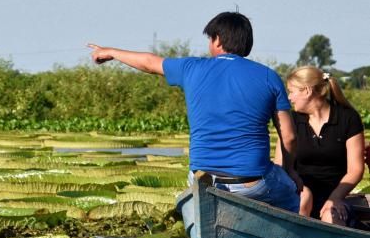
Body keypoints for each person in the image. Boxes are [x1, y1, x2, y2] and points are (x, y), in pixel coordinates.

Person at [88, 11, 301, 212]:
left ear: (217, 40)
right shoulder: (268, 77)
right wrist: (290, 172)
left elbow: (149, 62)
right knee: (291, 193)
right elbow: (289, 137)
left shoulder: (192, 69)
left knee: (199, 186)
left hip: (201, 179)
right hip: (252, 183)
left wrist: (111, 52)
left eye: (210, 39)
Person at [274, 66, 365, 225]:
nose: (289, 97)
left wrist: (335, 198)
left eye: (292, 91)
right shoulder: (292, 121)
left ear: (307, 91)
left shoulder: (348, 118)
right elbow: (279, 165)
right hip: (300, 193)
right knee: (303, 200)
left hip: (336, 194)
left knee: (332, 215)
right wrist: (300, 189)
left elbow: (356, 169)